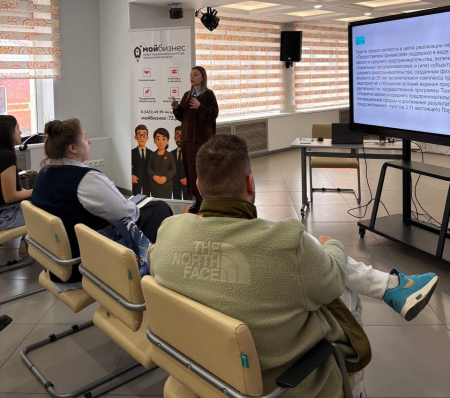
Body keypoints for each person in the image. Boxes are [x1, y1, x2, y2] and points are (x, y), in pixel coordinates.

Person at [150, 134, 439, 398]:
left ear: (199, 186)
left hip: (200, 369)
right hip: (280, 384)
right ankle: (359, 386)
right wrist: (333, 244)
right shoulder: (285, 244)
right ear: (251, 184)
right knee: (343, 289)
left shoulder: (168, 231)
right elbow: (334, 279)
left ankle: (391, 287)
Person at [31, 118, 172, 283]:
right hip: (85, 264)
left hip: (58, 262)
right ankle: (161, 273)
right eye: (85, 137)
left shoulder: (44, 173)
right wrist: (131, 205)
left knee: (149, 208)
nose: (89, 141)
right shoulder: (85, 179)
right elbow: (126, 214)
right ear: (73, 148)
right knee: (159, 209)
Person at [171, 66, 218, 213]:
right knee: (190, 171)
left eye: (195, 75)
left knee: (201, 170)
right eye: (191, 74)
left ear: (202, 78)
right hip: (187, 139)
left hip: (201, 139)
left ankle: (206, 200)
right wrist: (176, 108)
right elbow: (182, 117)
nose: (192, 77)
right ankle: (196, 200)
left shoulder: (208, 95)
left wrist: (200, 106)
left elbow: (213, 114)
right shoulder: (187, 95)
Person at [0, 115, 32, 231]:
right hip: (4, 217)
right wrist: (36, 191)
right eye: (18, 129)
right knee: (46, 212)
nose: (21, 132)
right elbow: (10, 197)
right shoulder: (7, 156)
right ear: (9, 133)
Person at [148, 128, 176, 199]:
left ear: (167, 141)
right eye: (158, 139)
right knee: (156, 202)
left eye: (163, 139)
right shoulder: (152, 155)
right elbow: (148, 168)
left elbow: (173, 169)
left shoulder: (170, 155)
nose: (160, 142)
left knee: (166, 202)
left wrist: (165, 177)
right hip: (154, 185)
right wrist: (154, 176)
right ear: (154, 141)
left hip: (167, 185)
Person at [131, 124, 151, 196]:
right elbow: (127, 166)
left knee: (147, 198)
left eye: (144, 135)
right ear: (135, 137)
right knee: (135, 198)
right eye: (139, 135)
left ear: (147, 137)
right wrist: (131, 175)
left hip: (148, 181)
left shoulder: (151, 153)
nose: (142, 138)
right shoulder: (132, 152)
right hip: (136, 180)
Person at [171, 126, 188, 200]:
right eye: (177, 136)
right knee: (176, 203)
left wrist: (188, 179)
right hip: (175, 185)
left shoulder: (191, 153)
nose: (179, 138)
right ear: (174, 137)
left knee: (188, 203)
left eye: (182, 136)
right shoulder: (170, 154)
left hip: (187, 185)